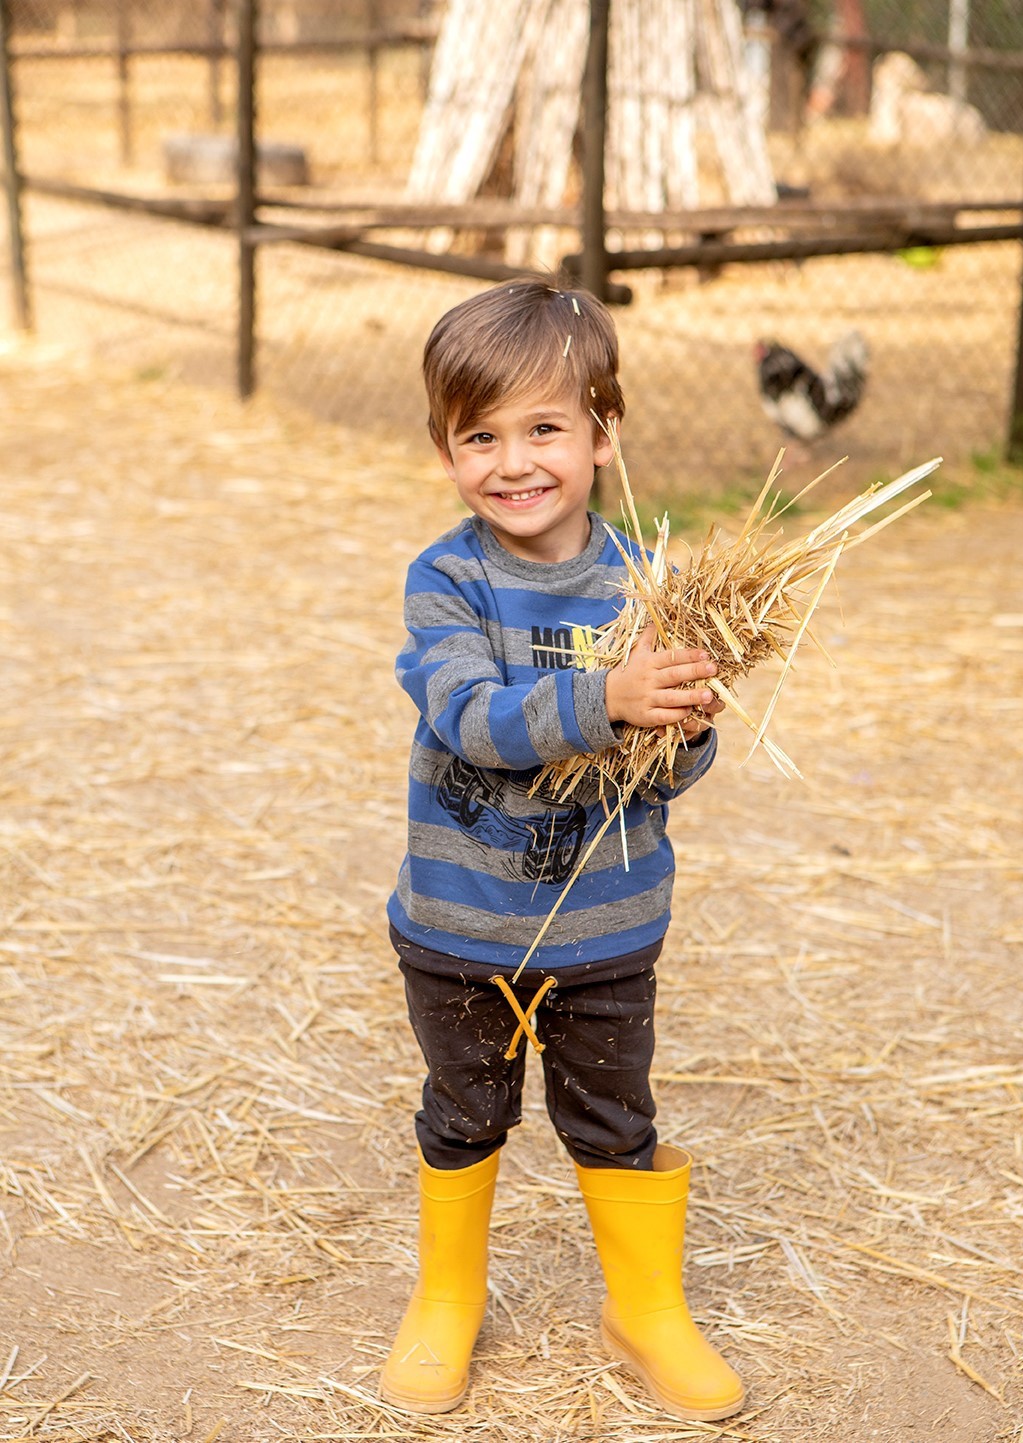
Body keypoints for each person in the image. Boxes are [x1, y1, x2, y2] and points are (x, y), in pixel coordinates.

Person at [382, 277, 744, 1423]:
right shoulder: (447, 582)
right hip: (459, 926)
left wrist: (685, 726)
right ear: (444, 448)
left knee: (613, 1119)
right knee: (462, 1110)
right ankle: (448, 1299)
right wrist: (608, 696)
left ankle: (643, 1310)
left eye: (543, 428)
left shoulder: (648, 586)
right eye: (477, 435)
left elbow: (670, 771)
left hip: (605, 928)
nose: (512, 461)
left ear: (602, 432)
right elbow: (472, 722)